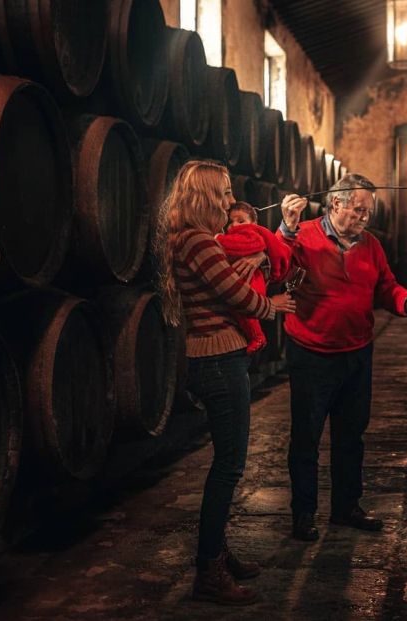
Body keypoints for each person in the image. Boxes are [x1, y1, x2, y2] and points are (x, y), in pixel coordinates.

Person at [158, 160, 296, 606]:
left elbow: (233, 278)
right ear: (202, 197)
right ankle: (209, 572)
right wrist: (272, 304)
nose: (226, 201)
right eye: (220, 193)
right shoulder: (199, 242)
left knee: (228, 462)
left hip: (214, 355)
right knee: (230, 465)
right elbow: (237, 297)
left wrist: (259, 256)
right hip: (218, 358)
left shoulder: (191, 240)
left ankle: (217, 551)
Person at [277, 173, 407, 542]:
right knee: (306, 438)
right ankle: (303, 513)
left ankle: (346, 507)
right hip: (311, 352)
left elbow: (386, 286)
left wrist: (404, 300)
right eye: (360, 210)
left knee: (351, 436)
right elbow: (277, 266)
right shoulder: (306, 235)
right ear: (336, 204)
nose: (365, 218)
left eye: (369, 212)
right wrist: (285, 228)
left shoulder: (371, 245)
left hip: (357, 353)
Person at [216, 201, 292, 354]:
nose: (235, 225)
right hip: (243, 285)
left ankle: (257, 337)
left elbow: (254, 244)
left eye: (241, 221)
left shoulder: (251, 233)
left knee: (244, 311)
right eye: (231, 222)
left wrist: (218, 239)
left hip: (252, 282)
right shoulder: (241, 233)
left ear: (254, 222)